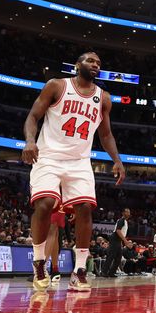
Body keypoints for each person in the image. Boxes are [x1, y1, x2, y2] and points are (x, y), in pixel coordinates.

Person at [22, 51, 125, 292]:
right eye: (90, 61)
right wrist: (29, 140)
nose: (96, 65)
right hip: (48, 155)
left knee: (85, 209)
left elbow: (106, 134)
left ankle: (79, 270)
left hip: (79, 161)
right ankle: (39, 262)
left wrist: (117, 160)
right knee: (45, 203)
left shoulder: (104, 98)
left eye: (99, 62)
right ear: (78, 65)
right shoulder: (57, 86)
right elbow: (33, 116)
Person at [104, 208, 131, 277]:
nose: (128, 213)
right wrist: (125, 241)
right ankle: (104, 272)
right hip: (115, 238)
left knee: (118, 258)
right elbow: (118, 231)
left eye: (129, 212)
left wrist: (121, 242)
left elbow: (121, 232)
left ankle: (111, 272)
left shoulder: (125, 221)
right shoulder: (121, 220)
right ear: (123, 213)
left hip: (118, 240)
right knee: (111, 256)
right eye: (127, 212)